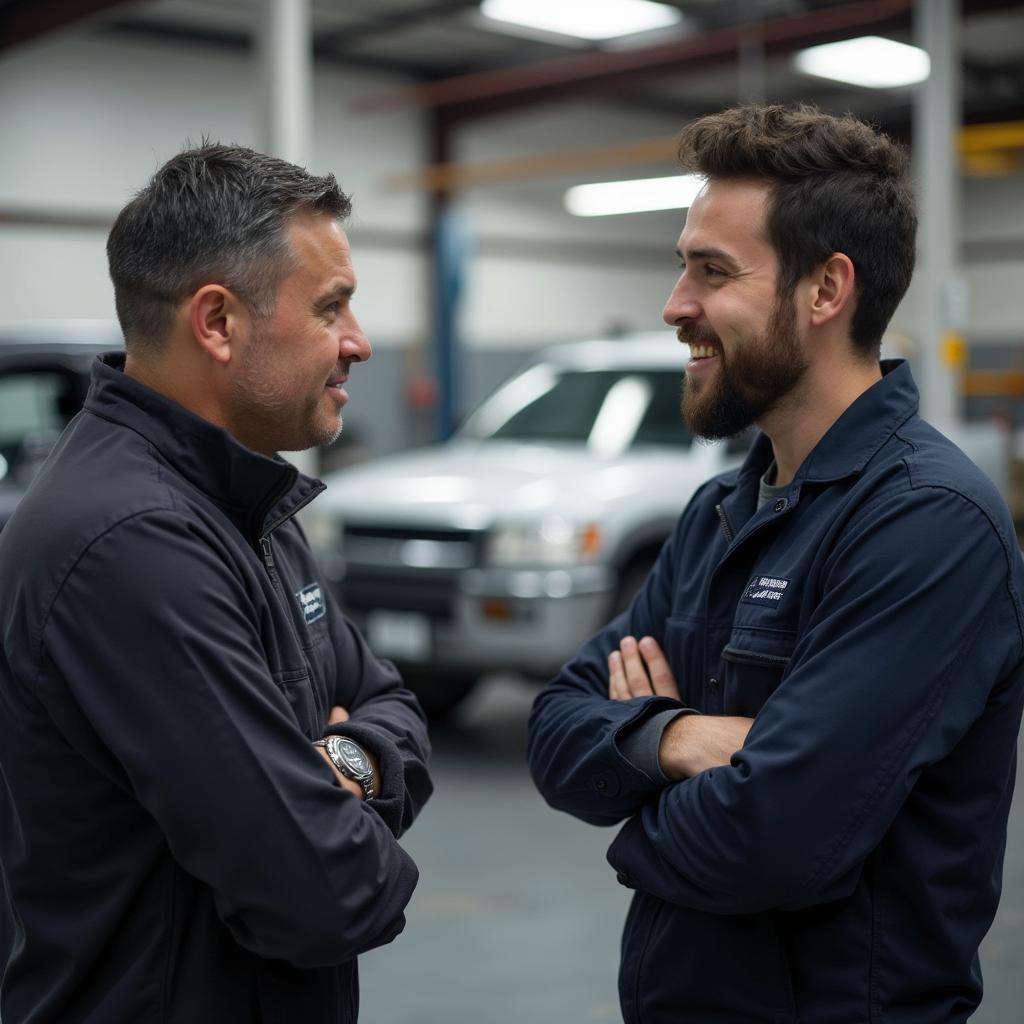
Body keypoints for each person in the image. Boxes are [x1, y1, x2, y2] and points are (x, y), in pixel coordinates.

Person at [527, 104, 1024, 1023]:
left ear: (825, 290)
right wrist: (678, 739)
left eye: (711, 272)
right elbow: (555, 725)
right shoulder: (724, 509)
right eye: (684, 266)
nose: (676, 306)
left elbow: (776, 840)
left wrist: (632, 795)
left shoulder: (926, 523)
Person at [0, 144, 432, 1023]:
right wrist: (338, 793)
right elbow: (332, 893)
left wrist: (344, 761)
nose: (360, 341)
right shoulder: (136, 545)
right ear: (218, 322)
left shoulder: (243, 499)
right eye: (332, 307)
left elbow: (389, 700)